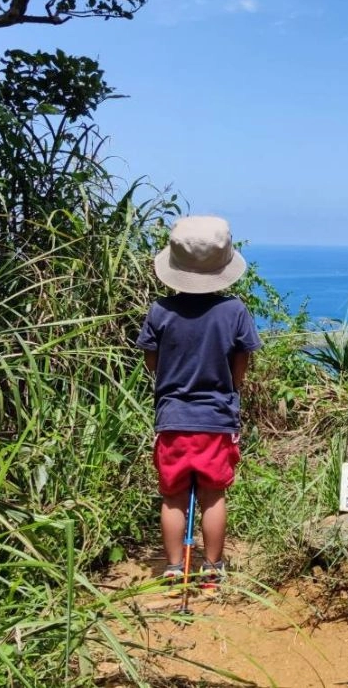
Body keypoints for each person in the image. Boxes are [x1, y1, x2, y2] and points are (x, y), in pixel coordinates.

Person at [137, 215, 262, 587]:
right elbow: (241, 364)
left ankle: (175, 566)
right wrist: (230, 388)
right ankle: (212, 566)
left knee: (173, 496)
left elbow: (151, 362)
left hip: (172, 418)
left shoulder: (160, 310)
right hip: (216, 419)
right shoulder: (234, 311)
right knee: (213, 495)